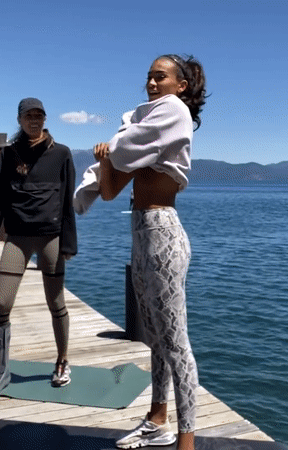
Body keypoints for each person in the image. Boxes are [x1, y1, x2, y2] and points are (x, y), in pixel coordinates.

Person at [74, 54, 206, 450]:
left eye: (160, 76)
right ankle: (156, 420)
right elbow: (110, 191)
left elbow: (126, 143)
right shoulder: (142, 141)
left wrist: (115, 146)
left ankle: (186, 441)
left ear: (180, 85)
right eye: (148, 77)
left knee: (177, 344)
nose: (151, 83)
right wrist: (105, 161)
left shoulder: (174, 114)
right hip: (142, 236)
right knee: (156, 339)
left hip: (164, 234)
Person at [0, 97, 78, 399]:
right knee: (1, 302)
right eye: (29, 116)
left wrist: (69, 243)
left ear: (45, 119)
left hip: (51, 237)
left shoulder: (61, 154)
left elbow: (67, 202)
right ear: (19, 120)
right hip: (17, 238)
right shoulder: (8, 154)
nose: (34, 120)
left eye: (39, 116)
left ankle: (62, 361)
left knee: (56, 302)